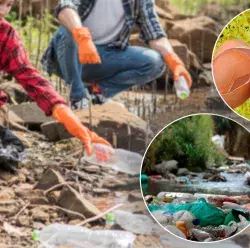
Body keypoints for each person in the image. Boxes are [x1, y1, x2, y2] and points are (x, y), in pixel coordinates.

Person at [0, 0, 110, 156]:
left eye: (8, 5)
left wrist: (67, 116)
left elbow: (28, 74)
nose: (3, 11)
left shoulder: (6, 34)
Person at [42, 0, 192, 109]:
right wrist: (83, 37)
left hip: (104, 57)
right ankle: (78, 98)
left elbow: (155, 34)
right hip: (69, 57)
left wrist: (174, 61)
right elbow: (65, 7)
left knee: (155, 62)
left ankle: (98, 93)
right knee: (66, 32)